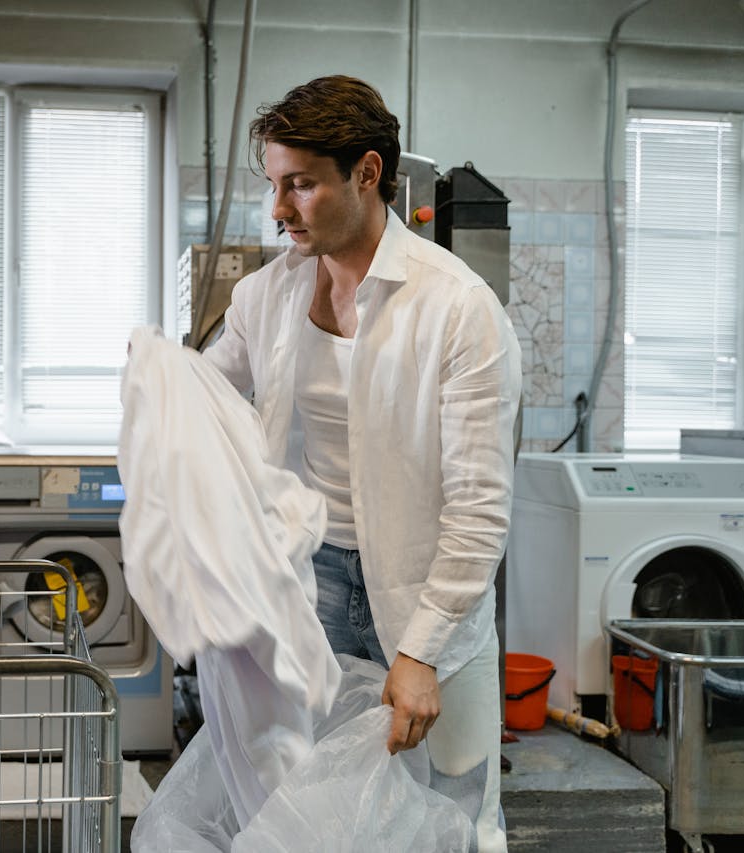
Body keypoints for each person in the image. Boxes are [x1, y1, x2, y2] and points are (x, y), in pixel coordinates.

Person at [202, 75, 521, 852]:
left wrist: (419, 651)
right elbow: (205, 399)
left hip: (424, 594)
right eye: (275, 184)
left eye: (301, 185)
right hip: (312, 586)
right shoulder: (266, 297)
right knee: (312, 817)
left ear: (368, 173)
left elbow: (479, 506)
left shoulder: (456, 308)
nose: (279, 209)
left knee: (453, 814)